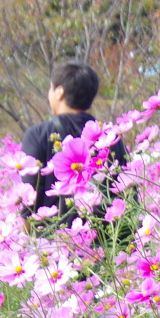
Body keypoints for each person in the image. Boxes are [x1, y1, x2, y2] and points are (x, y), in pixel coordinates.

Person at [22, 61, 101, 220]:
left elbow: (28, 201)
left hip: (55, 240)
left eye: (50, 88)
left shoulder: (38, 134)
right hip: (107, 239)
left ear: (59, 92)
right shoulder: (107, 135)